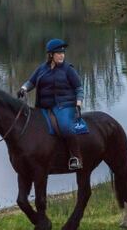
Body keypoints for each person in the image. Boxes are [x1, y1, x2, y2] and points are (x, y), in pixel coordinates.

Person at [17, 38, 85, 170]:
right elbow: (31, 82)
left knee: (65, 126)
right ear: (50, 55)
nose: (62, 55)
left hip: (64, 106)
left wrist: (78, 103)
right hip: (43, 106)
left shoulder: (68, 69)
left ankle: (76, 157)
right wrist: (23, 88)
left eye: (63, 53)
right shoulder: (42, 69)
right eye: (58, 53)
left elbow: (79, 88)